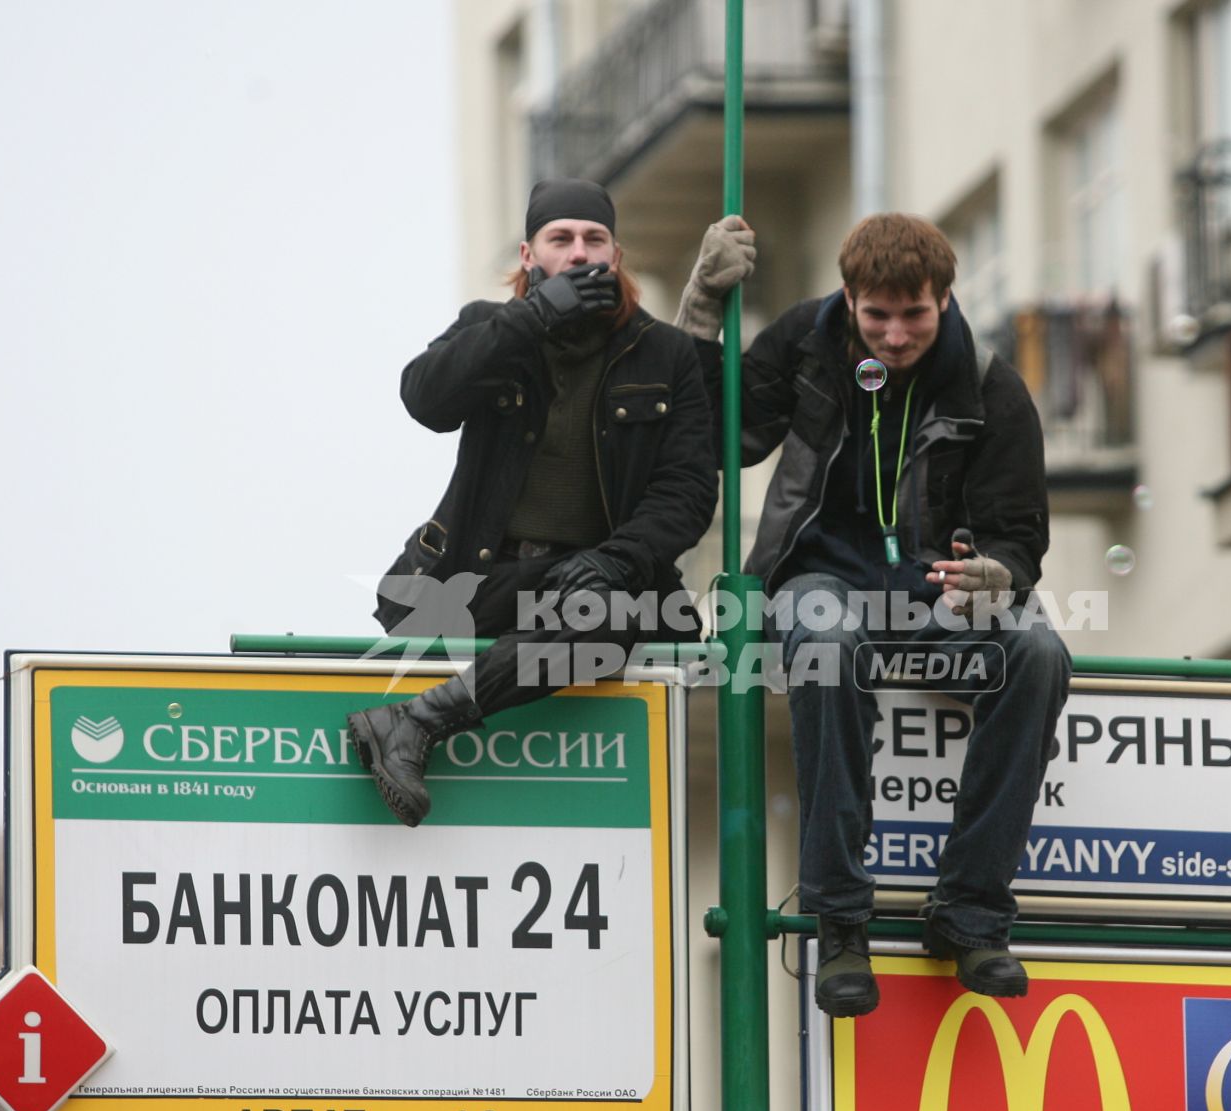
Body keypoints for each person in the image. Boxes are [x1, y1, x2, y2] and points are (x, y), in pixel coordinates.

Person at [677, 212, 1071, 1016]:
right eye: (877, 316)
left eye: (915, 315)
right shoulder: (802, 342)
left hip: (939, 595)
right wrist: (701, 307)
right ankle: (841, 920)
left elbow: (1021, 536)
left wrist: (995, 574)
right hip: (817, 576)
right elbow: (716, 433)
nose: (895, 337)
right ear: (848, 299)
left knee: (1036, 651)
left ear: (946, 299)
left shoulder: (990, 382)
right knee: (828, 639)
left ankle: (971, 913)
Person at [350, 179, 717, 827]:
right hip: (484, 577)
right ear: (529, 255)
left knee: (614, 614)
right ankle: (410, 723)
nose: (579, 253)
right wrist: (532, 318)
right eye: (561, 239)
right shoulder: (489, 327)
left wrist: (619, 559)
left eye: (594, 239)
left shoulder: (665, 352)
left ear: (616, 253)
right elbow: (425, 399)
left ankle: (417, 722)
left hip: (592, 586)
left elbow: (687, 489)